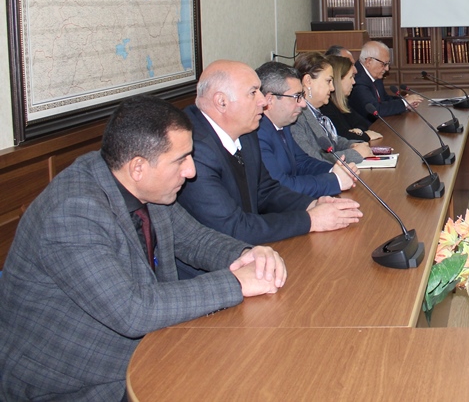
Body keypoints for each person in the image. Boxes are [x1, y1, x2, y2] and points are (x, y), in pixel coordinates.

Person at [0, 95, 287, 401]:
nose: (191, 171)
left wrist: (246, 254)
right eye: (181, 160)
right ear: (138, 167)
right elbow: (133, 310)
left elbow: (195, 239)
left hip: (147, 347)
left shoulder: (141, 185)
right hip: (75, 381)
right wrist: (235, 282)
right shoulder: (73, 211)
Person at [176, 60, 362, 267]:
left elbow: (266, 190)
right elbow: (233, 227)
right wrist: (310, 220)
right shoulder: (192, 149)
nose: (263, 102)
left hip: (252, 253)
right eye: (253, 93)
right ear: (221, 102)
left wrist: (312, 204)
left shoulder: (245, 131)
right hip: (212, 270)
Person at [255, 61, 358, 197]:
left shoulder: (284, 125)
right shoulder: (258, 133)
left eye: (302, 96)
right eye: (297, 97)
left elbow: (302, 162)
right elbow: (280, 185)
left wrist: (334, 170)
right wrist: (335, 181)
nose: (303, 104)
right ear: (270, 100)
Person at [291, 52, 373, 163]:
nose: (332, 88)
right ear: (308, 81)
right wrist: (354, 153)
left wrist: (352, 144)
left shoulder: (314, 111)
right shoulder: (296, 117)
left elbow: (332, 142)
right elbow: (313, 160)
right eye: (328, 81)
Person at [351, 40, 423, 121]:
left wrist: (404, 102)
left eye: (388, 64)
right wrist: (404, 103)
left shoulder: (374, 74)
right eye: (384, 64)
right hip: (367, 127)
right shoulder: (358, 81)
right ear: (369, 61)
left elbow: (384, 99)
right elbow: (377, 110)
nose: (387, 69)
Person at [321, 54, 383, 143]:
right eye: (351, 77)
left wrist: (358, 131)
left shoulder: (342, 103)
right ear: (338, 80)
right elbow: (340, 137)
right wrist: (365, 136)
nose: (354, 82)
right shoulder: (326, 107)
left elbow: (362, 123)